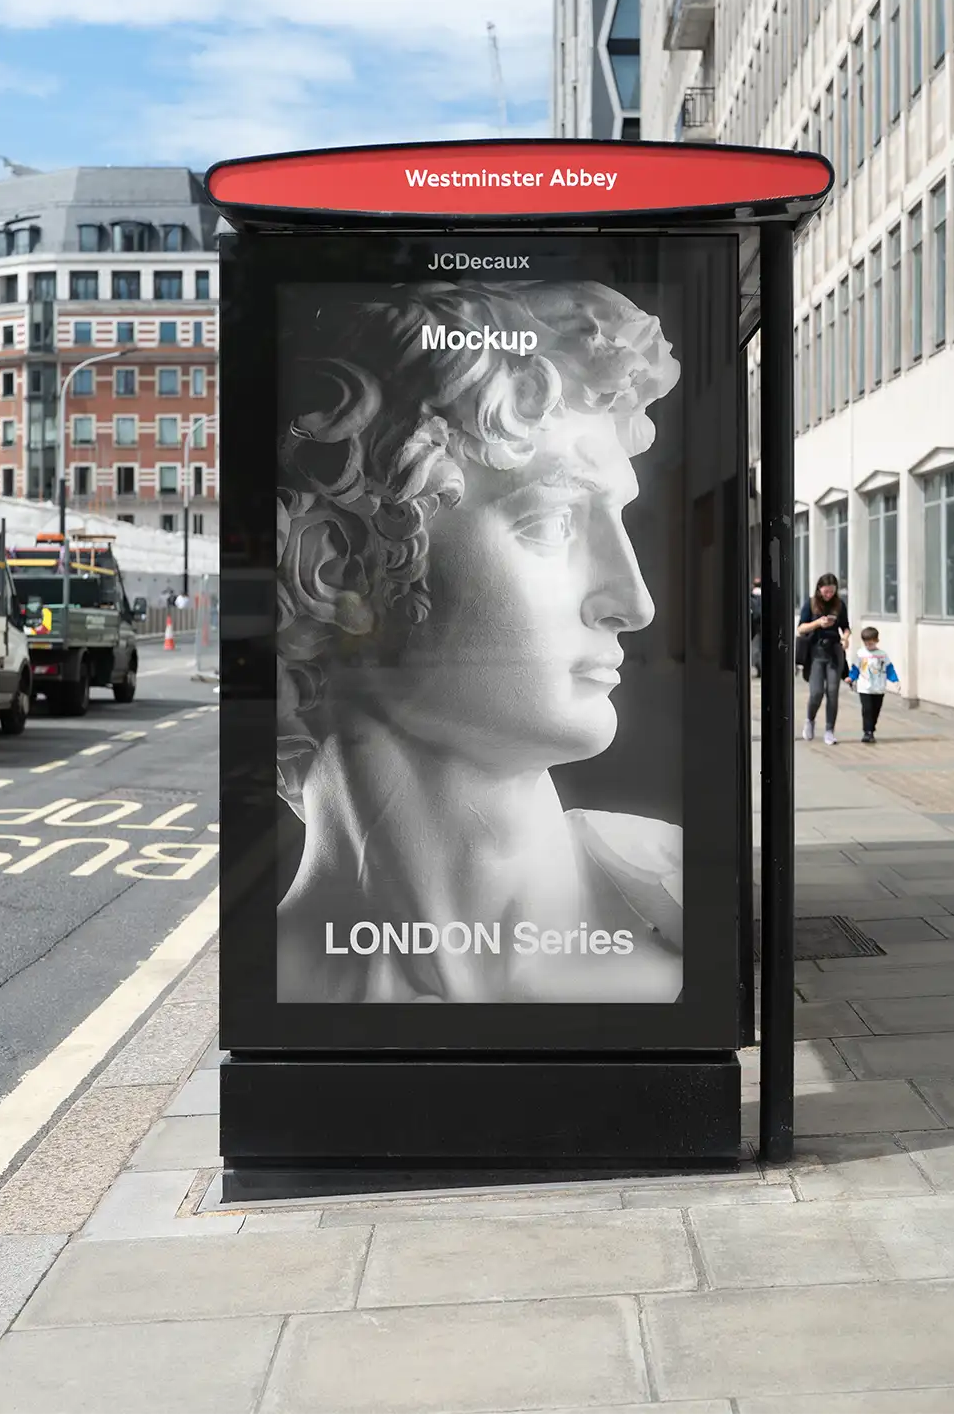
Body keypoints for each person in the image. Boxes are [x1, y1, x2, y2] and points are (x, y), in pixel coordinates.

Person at [275, 279, 684, 1004]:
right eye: (552, 525)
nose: (633, 603)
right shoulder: (271, 976)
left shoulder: (677, 890)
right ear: (341, 567)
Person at [796, 572, 851, 745]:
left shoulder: (839, 605)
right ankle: (809, 720)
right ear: (819, 589)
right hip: (816, 653)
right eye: (826, 591)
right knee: (817, 692)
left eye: (832, 591)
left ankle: (829, 730)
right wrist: (818, 623)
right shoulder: (811, 604)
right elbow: (801, 628)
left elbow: (846, 627)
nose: (828, 595)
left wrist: (845, 638)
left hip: (834, 652)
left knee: (833, 692)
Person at [848, 626, 899, 743]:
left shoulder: (882, 655)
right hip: (864, 688)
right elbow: (855, 668)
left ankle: (871, 728)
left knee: (876, 710)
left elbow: (889, 668)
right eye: (866, 644)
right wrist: (851, 678)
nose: (868, 646)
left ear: (876, 641)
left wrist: (895, 680)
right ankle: (867, 732)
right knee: (867, 709)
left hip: (879, 688)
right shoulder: (861, 654)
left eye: (870, 643)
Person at [749, 577, 762, 677]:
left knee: (756, 650)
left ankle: (760, 669)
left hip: (756, 627)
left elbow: (755, 614)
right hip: (760, 627)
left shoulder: (752, 596)